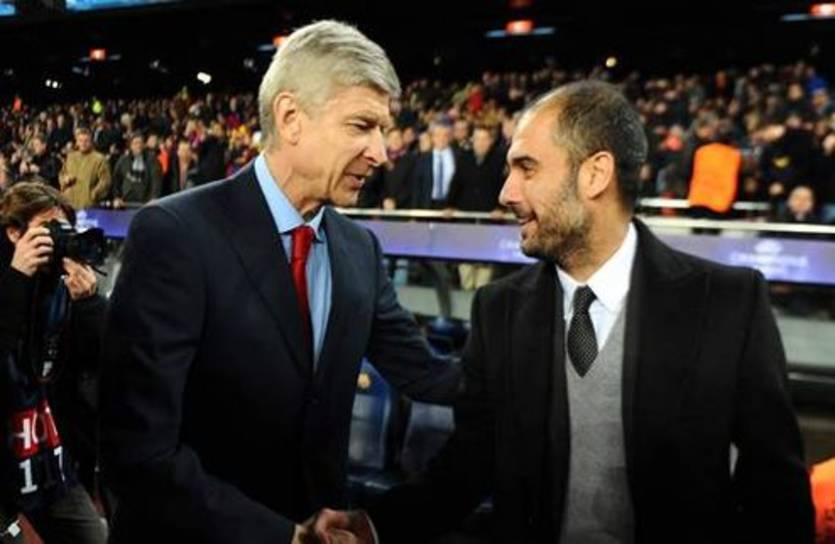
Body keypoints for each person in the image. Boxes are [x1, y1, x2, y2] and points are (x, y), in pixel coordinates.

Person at [317, 80, 814, 543]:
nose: (506, 193)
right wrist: (374, 527)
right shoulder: (499, 310)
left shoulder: (727, 304)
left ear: (595, 174)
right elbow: (467, 465)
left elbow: (777, 494)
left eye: (527, 168)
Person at [99, 20, 459, 544]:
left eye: (383, 130)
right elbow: (138, 451)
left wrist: (544, 350)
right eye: (362, 126)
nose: (381, 153)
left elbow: (430, 376)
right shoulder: (175, 234)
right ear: (291, 118)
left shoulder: (359, 250)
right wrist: (285, 536)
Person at [0, 182, 107, 544]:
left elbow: (103, 360)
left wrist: (90, 305)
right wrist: (16, 279)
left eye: (63, 230)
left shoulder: (62, 286)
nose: (57, 240)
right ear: (14, 233)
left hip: (46, 458)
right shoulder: (9, 279)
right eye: (48, 230)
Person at [58, 127, 111, 210]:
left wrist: (94, 194)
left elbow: (105, 181)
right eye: (80, 141)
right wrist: (65, 179)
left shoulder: (99, 159)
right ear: (77, 142)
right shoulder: (71, 157)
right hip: (69, 203)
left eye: (86, 141)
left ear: (91, 142)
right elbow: (62, 174)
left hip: (88, 205)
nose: (83, 143)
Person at [111, 133, 162, 208]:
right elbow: (116, 181)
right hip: (125, 203)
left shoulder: (152, 161)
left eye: (140, 143)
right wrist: (117, 197)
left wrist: (154, 198)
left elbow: (156, 182)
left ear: (144, 145)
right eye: (135, 143)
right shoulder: (123, 160)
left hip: (145, 204)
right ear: (131, 146)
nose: (138, 146)